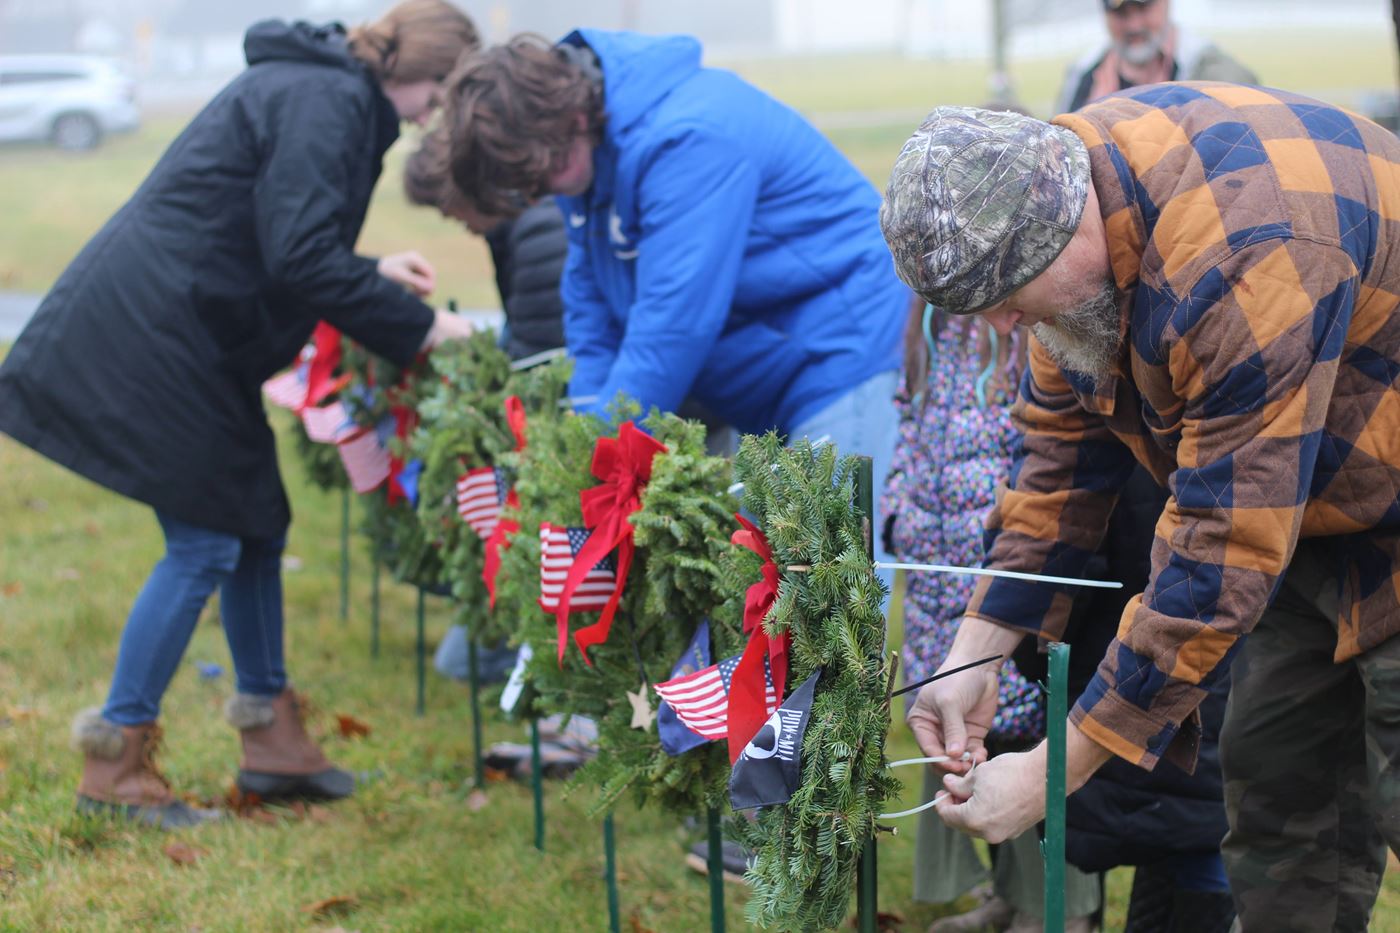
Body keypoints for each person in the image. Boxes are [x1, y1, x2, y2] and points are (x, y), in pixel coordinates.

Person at [879, 88, 1400, 930]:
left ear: (1062, 221)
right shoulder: (1067, 197)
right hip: (1312, 503)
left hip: (1353, 489)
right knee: (1280, 804)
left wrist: (1055, 768)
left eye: (1009, 298)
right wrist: (979, 645)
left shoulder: (1242, 259)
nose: (1008, 325)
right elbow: (1059, 449)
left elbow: (1217, 552)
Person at [0, 0, 480, 829]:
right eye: (437, 93)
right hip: (160, 334)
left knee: (257, 523)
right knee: (205, 542)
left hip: (188, 326)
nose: (432, 113)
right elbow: (298, 253)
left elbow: (275, 236)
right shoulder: (328, 100)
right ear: (408, 70)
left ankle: (275, 744)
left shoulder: (321, 88)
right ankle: (113, 760)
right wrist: (423, 327)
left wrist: (368, 269)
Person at [441, 32, 908, 563]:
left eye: (544, 170)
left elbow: (671, 329)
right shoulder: (586, 156)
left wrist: (590, 474)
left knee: (820, 595)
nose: (546, 188)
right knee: (758, 591)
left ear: (567, 117)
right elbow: (592, 315)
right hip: (770, 375)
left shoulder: (688, 137)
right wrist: (586, 446)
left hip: (841, 357)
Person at [883, 304, 1100, 932]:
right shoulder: (929, 333)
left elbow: (1045, 454)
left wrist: (998, 540)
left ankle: (1054, 907)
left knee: (1022, 743)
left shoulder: (1024, 328)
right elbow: (907, 424)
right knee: (960, 742)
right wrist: (899, 510)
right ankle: (1005, 891)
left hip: (1002, 581)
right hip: (934, 588)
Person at [1057, 0, 1256, 114]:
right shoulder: (1082, 76)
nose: (1134, 26)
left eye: (1144, 8)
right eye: (1121, 13)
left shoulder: (1215, 74)